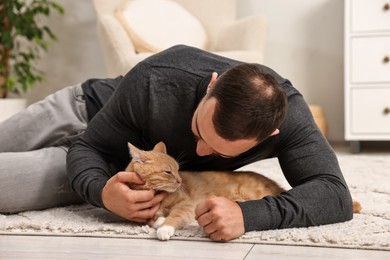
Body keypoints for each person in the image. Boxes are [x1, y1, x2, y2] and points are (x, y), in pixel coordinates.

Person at [0, 45, 353, 241]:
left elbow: (334, 195)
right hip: (83, 111)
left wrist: (248, 214)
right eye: (198, 132)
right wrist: (100, 193)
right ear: (211, 85)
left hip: (113, 163)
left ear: (270, 138)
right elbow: (89, 146)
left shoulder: (288, 116)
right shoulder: (157, 75)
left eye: (216, 153)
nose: (198, 154)